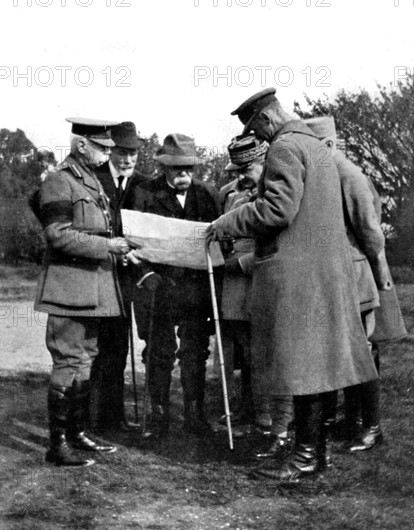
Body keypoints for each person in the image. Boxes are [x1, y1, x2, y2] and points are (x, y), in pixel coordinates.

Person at [206, 89, 379, 482]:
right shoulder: (316, 146)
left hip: (296, 278)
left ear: (265, 120)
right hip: (325, 275)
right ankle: (313, 455)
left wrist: (226, 223)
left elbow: (277, 209)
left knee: (301, 369)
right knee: (317, 368)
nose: (262, 140)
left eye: (258, 131)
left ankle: (304, 457)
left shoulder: (284, 148)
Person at [306, 116, 406, 451]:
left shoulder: (349, 175)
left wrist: (380, 277)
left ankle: (372, 427)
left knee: (362, 351)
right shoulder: (325, 174)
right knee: (343, 352)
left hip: (356, 275)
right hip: (334, 276)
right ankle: (350, 421)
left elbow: (370, 232)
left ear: (331, 145)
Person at [34, 117, 130, 467]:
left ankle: (77, 433)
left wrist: (117, 246)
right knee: (68, 360)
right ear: (82, 145)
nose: (108, 154)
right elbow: (57, 235)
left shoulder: (88, 179)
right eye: (103, 148)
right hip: (67, 287)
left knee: (86, 356)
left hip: (92, 288)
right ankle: (57, 445)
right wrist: (109, 247)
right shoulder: (59, 181)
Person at [126, 133, 221, 438]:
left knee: (195, 351)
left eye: (189, 169)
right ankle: (159, 414)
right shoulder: (142, 193)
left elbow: (219, 243)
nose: (184, 175)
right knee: (158, 350)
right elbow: (130, 240)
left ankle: (195, 412)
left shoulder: (208, 195)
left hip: (194, 290)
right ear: (164, 167)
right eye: (177, 169)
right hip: (156, 287)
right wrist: (145, 275)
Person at [218, 135, 293, 453]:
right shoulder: (230, 195)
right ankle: (260, 419)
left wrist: (246, 264)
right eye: (238, 169)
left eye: (246, 168)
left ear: (264, 165)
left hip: (266, 277)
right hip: (236, 285)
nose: (241, 175)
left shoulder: (282, 193)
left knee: (276, 355)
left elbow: (288, 239)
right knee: (250, 355)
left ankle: (282, 426)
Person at [89, 121, 148, 432]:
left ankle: (114, 417)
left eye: (133, 154)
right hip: (99, 272)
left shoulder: (142, 184)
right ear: (111, 151)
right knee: (96, 346)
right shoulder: (93, 179)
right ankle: (90, 417)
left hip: (128, 277)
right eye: (123, 153)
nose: (128, 160)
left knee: (119, 348)